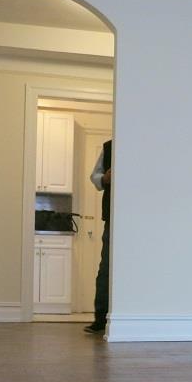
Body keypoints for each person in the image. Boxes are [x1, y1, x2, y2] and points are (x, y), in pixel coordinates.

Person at [84, 139, 113, 334]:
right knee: (106, 269)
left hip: (140, 217)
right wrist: (105, 179)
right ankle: (101, 318)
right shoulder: (109, 147)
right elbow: (95, 176)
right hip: (112, 217)